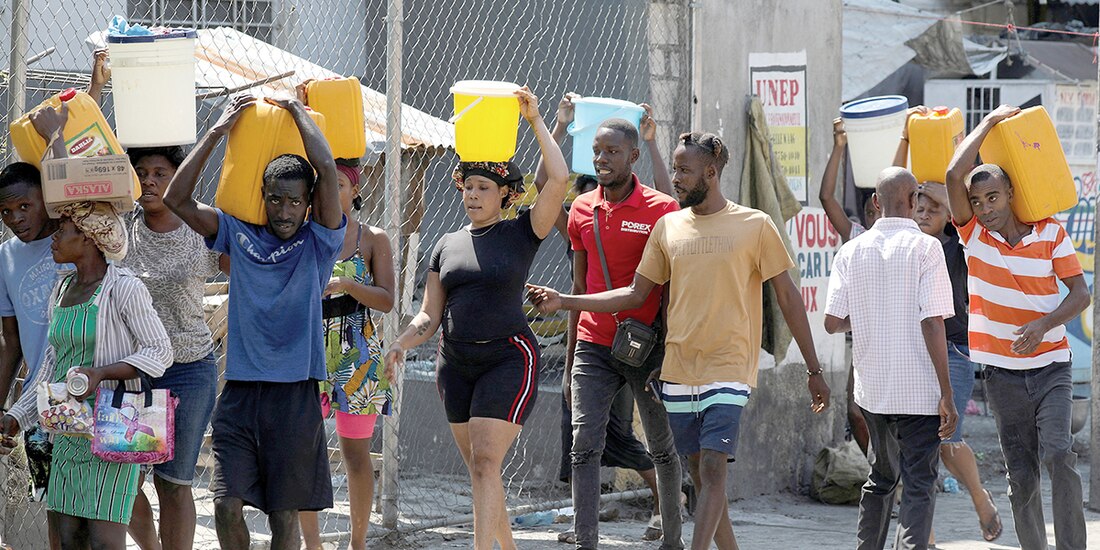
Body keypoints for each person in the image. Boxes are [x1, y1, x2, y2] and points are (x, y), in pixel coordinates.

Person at [527, 131, 830, 550]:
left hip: (729, 365)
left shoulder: (755, 224)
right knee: (700, 475)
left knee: (712, 466)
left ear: (711, 172)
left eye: (684, 170)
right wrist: (565, 301)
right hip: (678, 368)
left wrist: (813, 370)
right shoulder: (669, 227)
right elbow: (635, 294)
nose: (676, 178)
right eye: (675, 169)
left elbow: (788, 298)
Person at [384, 86, 568, 550]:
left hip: (508, 359)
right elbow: (429, 313)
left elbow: (559, 181)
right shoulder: (446, 244)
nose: (472, 194)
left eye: (483, 187)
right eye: (467, 186)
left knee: (487, 462)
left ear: (506, 194)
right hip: (456, 364)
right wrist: (402, 343)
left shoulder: (522, 231)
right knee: (482, 470)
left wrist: (536, 120)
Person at [163, 93, 346, 550]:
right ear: (263, 198)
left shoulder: (318, 244)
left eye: (294, 203)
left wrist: (299, 113)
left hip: (294, 395)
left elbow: (325, 172)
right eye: (276, 200)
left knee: (284, 517)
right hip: (241, 392)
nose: (284, 211)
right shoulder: (238, 234)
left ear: (308, 205)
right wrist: (215, 132)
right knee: (225, 505)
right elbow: (176, 198)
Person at [0, 93, 173, 550]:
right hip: (68, 427)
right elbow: (50, 365)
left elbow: (160, 352)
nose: (56, 235)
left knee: (103, 540)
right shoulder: (64, 289)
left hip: (119, 424)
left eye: (66, 231)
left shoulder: (123, 287)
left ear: (92, 239)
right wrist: (16, 416)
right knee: (69, 536)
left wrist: (102, 373)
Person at [945, 104, 1090, 550]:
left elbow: (1080, 294)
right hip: (1003, 377)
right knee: (1021, 473)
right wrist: (988, 124)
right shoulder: (973, 238)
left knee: (1059, 455)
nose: (985, 209)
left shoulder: (1050, 233)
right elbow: (953, 176)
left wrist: (1043, 325)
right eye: (977, 202)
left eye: (993, 198)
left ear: (1010, 193)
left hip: (1052, 369)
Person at [823, 166, 958, 550]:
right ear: (914, 201)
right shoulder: (927, 248)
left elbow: (833, 322)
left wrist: (869, 313)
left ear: (876, 203)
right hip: (920, 391)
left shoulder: (851, 250)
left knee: (881, 477)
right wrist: (946, 393)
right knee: (918, 482)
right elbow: (932, 322)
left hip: (874, 391)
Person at [115, 145, 226, 550]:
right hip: (132, 372)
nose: (148, 180)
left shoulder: (201, 226)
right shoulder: (119, 229)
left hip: (189, 368)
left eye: (160, 173)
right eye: (141, 171)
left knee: (174, 482)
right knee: (124, 480)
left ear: (179, 177)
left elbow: (240, 260)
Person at [298, 158, 396, 550]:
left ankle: (357, 543)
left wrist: (345, 284)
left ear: (354, 190)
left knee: (356, 454)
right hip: (308, 347)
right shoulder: (301, 233)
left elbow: (388, 300)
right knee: (304, 449)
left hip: (358, 351)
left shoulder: (373, 238)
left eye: (338, 184)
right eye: (323, 185)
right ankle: (313, 544)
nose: (330, 192)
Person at [909, 176, 1002, 543]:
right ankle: (924, 537)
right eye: (919, 206)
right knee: (918, 449)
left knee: (949, 442)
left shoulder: (960, 247)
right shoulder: (904, 247)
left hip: (953, 352)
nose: (924, 213)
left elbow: (964, 219)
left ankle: (979, 497)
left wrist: (940, 192)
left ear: (949, 215)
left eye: (934, 208)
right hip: (912, 354)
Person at [0, 158, 64, 549]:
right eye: (6, 211)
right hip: (39, 404)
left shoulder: (77, 239)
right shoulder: (6, 257)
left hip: (92, 394)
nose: (16, 218)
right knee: (50, 498)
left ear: (48, 199)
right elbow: (10, 340)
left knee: (115, 500)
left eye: (25, 206)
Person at [817, 117, 876, 456]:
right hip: (863, 340)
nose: (874, 217)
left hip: (901, 340)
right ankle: (880, 469)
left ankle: (893, 476)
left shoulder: (914, 240)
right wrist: (839, 147)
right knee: (856, 409)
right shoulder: (858, 237)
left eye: (880, 209)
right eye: (869, 211)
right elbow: (827, 197)